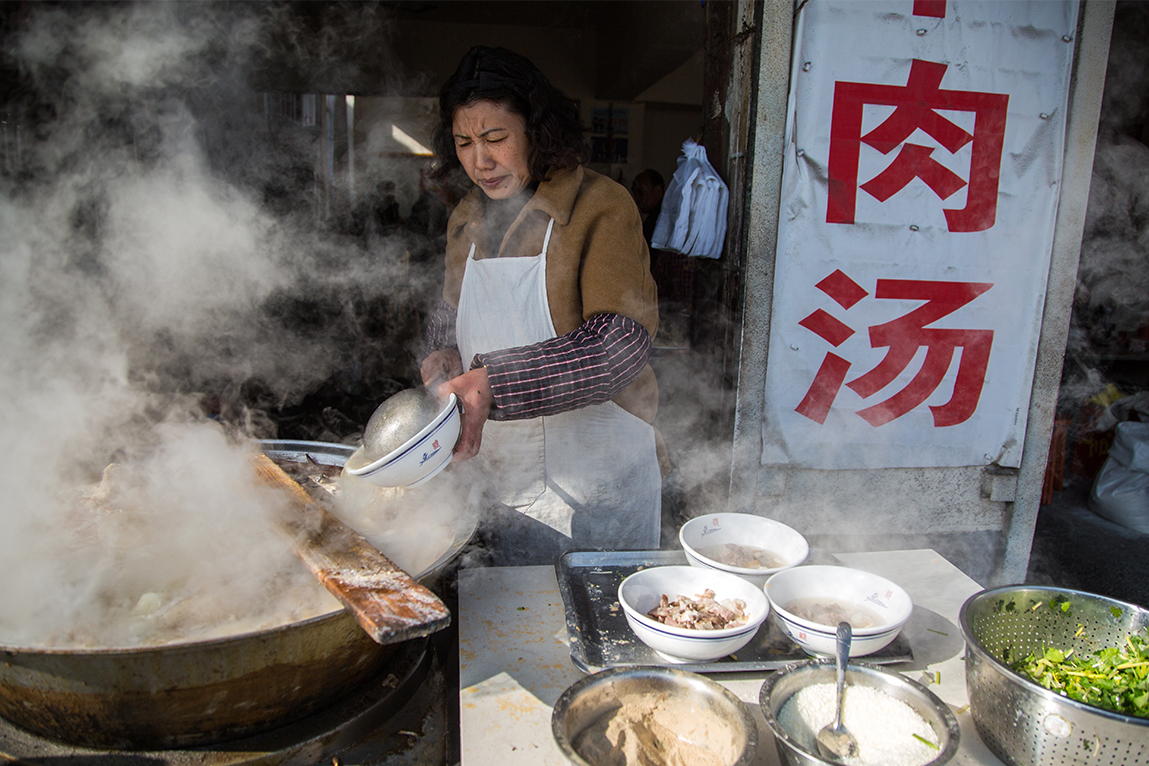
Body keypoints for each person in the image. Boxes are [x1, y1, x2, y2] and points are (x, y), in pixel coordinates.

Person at [420, 46, 664, 566]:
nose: (479, 161)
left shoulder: (601, 206)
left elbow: (618, 344)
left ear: (537, 129)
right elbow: (451, 307)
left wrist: (496, 382)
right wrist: (441, 351)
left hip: (597, 485)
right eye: (464, 143)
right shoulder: (465, 216)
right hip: (500, 474)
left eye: (495, 139)